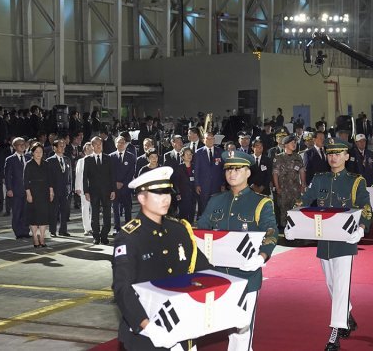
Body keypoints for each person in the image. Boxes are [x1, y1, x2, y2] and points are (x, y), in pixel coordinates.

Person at [112, 166, 210, 350]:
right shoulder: (130, 237)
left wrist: (231, 290)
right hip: (147, 335)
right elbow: (122, 288)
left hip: (182, 328)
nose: (166, 198)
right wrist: (147, 326)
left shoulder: (179, 230)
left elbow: (204, 269)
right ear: (142, 198)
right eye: (158, 194)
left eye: (168, 193)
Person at [197, 151, 277, 351]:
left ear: (248, 172)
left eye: (238, 169)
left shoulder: (261, 202)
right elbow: (201, 230)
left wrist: (262, 256)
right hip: (217, 276)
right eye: (228, 169)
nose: (232, 173)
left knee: (241, 330)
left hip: (245, 275)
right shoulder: (216, 201)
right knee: (228, 327)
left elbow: (271, 231)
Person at [299, 137, 372, 351]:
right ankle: (347, 313)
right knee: (332, 285)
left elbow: (365, 207)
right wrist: (294, 218)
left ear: (346, 157)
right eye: (330, 153)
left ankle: (335, 331)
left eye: (338, 154)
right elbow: (305, 200)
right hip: (324, 241)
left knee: (340, 285)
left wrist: (361, 228)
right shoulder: (320, 179)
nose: (334, 157)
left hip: (345, 241)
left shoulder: (356, 181)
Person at [83, 136, 116, 245]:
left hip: (107, 191)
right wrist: (86, 191)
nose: (98, 146)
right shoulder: (87, 159)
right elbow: (85, 177)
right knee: (95, 215)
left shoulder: (108, 158)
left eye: (100, 144)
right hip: (93, 192)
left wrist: (113, 190)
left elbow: (112, 175)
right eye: (96, 144)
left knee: (107, 215)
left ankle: (104, 235)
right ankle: (96, 236)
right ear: (92, 146)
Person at [272, 134, 305, 229]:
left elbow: (302, 171)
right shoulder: (278, 158)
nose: (294, 144)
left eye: (295, 142)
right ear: (285, 145)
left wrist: (303, 184)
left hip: (295, 189)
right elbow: (275, 173)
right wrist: (277, 187)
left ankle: (296, 229)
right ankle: (284, 231)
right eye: (292, 143)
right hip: (283, 189)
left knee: (296, 209)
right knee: (284, 211)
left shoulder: (298, 157)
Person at [25, 142, 54, 248]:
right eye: (36, 152)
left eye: (40, 152)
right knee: (33, 217)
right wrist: (28, 194)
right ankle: (35, 238)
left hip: (44, 192)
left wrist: (51, 192)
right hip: (33, 192)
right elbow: (25, 181)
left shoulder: (46, 164)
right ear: (32, 153)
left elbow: (50, 179)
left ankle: (42, 238)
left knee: (43, 216)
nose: (38, 154)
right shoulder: (29, 164)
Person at [5, 137, 32, 239]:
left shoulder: (28, 158)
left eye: (23, 144)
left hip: (27, 190)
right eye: (19, 144)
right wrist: (9, 189)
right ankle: (18, 232)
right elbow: (7, 175)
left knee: (26, 211)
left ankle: (25, 230)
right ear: (14, 147)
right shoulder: (10, 159)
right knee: (17, 211)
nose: (22, 146)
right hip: (16, 190)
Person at [194, 132, 225, 216]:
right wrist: (197, 185)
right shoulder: (198, 153)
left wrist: (223, 184)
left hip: (217, 185)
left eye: (212, 138)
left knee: (216, 206)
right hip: (204, 185)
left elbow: (223, 169)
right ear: (203, 140)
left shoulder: (220, 151)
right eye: (208, 138)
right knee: (204, 206)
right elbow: (196, 170)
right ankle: (204, 225)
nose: (210, 140)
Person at [46, 139, 72, 237]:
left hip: (65, 190)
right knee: (54, 210)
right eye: (60, 146)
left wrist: (70, 187)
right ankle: (52, 230)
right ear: (55, 148)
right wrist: (50, 189)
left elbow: (70, 176)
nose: (63, 147)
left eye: (64, 146)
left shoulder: (67, 159)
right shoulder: (50, 160)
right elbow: (48, 177)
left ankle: (63, 230)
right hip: (54, 189)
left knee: (64, 211)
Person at [111, 136, 137, 232]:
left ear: (125, 144)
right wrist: (115, 183)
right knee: (115, 209)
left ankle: (128, 228)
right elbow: (110, 172)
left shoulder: (131, 156)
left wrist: (123, 183)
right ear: (115, 144)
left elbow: (131, 172)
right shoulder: (111, 156)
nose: (121, 144)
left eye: (123, 142)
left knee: (127, 208)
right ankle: (116, 228)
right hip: (115, 187)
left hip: (126, 186)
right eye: (119, 142)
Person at [75, 142, 94, 236]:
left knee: (94, 208)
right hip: (83, 188)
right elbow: (78, 174)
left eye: (91, 148)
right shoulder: (81, 161)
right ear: (84, 150)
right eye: (87, 149)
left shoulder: (96, 159)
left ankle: (93, 226)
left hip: (95, 188)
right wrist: (77, 187)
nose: (89, 150)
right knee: (85, 208)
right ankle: (87, 228)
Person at [174, 147, 197, 223]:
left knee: (192, 215)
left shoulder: (195, 166)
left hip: (193, 195)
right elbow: (175, 182)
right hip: (183, 196)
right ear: (183, 156)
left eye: (190, 154)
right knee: (183, 216)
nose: (189, 156)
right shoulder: (179, 168)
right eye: (187, 154)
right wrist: (178, 193)